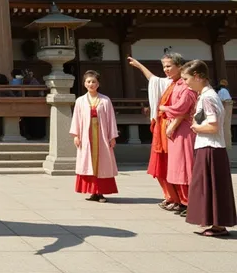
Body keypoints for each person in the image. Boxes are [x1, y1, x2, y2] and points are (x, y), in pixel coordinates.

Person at [128, 53, 197, 215]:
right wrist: (139, 65)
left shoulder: (185, 85)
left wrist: (169, 118)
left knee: (182, 165)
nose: (165, 69)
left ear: (180, 67)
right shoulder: (171, 83)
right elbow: (153, 79)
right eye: (164, 66)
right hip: (165, 127)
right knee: (171, 165)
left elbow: (182, 109)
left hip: (176, 128)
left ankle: (187, 200)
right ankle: (177, 198)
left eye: (169, 66)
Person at [182, 61, 237, 236]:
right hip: (210, 146)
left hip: (210, 147)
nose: (186, 82)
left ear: (198, 76)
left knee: (210, 186)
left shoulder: (207, 97)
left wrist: (196, 128)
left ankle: (218, 224)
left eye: (187, 78)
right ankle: (215, 223)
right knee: (211, 186)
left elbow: (213, 126)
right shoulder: (207, 95)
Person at [70, 70, 119, 202]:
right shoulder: (80, 101)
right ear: (84, 84)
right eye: (88, 81)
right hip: (86, 135)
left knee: (102, 162)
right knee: (88, 162)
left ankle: (101, 192)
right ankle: (92, 192)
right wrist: (76, 135)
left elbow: (111, 119)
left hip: (101, 134)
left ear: (98, 84)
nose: (91, 84)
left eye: (94, 82)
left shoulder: (105, 100)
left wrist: (112, 136)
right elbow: (76, 119)